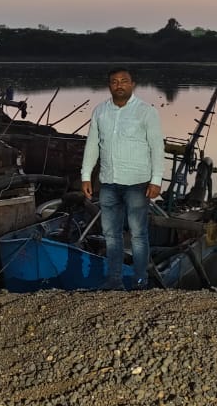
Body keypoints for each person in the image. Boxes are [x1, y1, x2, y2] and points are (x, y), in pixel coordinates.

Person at [80, 68, 165, 290]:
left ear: (132, 85)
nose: (119, 85)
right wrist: (86, 176)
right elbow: (92, 145)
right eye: (114, 82)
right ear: (109, 86)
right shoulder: (100, 112)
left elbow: (157, 147)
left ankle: (139, 282)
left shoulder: (146, 112)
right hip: (108, 182)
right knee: (111, 235)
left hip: (137, 183)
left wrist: (156, 179)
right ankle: (114, 281)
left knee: (138, 234)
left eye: (124, 81)